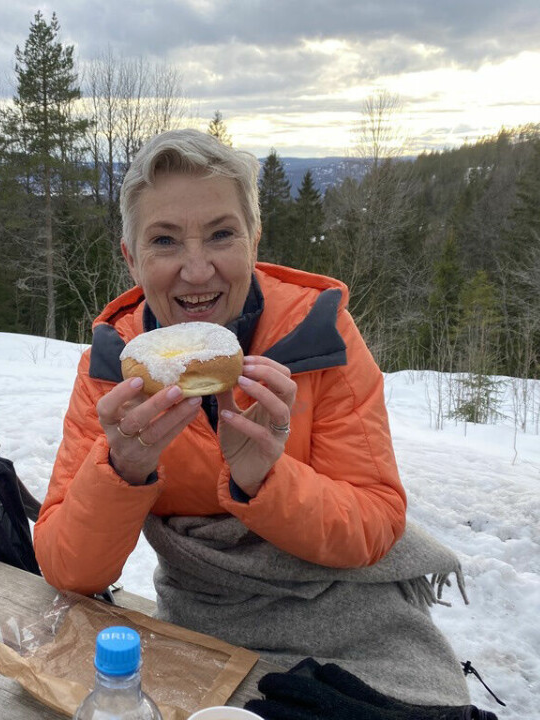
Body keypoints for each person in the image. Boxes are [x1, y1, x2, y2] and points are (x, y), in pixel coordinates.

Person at [34, 129, 475, 709]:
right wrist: (124, 468)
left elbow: (376, 522)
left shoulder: (322, 336)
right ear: (131, 257)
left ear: (253, 238)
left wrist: (266, 480)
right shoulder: (113, 370)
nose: (197, 271)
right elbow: (69, 569)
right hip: (204, 620)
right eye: (165, 241)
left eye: (221, 235)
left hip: (351, 616)